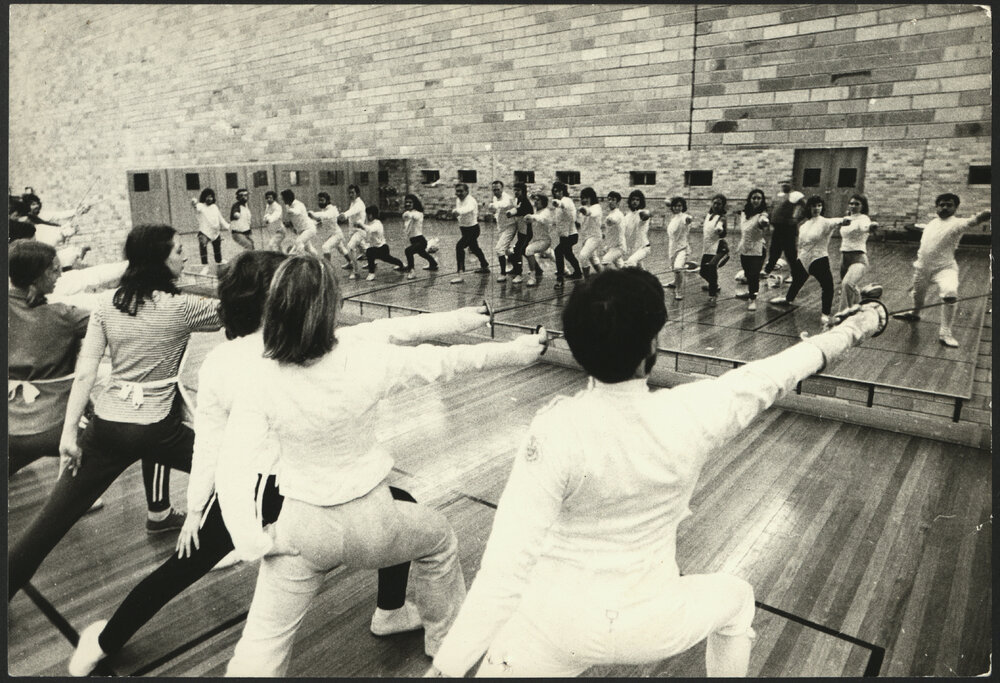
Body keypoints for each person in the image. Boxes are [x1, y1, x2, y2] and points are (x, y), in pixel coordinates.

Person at [426, 268, 888, 678]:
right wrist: (862, 324)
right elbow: (780, 372)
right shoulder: (696, 410)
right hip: (652, 622)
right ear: (652, 345)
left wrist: (445, 671)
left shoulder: (555, 428)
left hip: (555, 626)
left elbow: (503, 574)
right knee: (737, 598)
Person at [66, 251, 422, 676]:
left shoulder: (229, 358)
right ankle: (390, 610)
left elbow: (211, 446)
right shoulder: (306, 347)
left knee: (182, 567)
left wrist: (197, 509)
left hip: (261, 490)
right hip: (290, 488)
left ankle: (105, 640)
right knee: (400, 507)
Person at [212, 255, 547, 676]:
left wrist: (251, 543)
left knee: (260, 644)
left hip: (300, 528)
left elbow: (232, 467)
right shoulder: (365, 360)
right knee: (439, 540)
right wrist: (521, 351)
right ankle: (444, 645)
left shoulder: (260, 378)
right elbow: (449, 362)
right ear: (329, 308)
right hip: (373, 521)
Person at [8, 224, 221, 601]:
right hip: (158, 430)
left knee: (49, 523)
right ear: (158, 260)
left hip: (105, 427)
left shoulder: (107, 306)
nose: (185, 256)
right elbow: (234, 311)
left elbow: (86, 375)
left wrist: (70, 435)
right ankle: (226, 541)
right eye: (177, 252)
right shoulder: (184, 307)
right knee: (238, 472)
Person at [892, 193, 991, 347]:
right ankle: (915, 314)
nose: (945, 207)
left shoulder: (958, 223)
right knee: (918, 297)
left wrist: (985, 214)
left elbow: (974, 221)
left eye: (949, 205)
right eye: (942, 204)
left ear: (955, 207)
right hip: (922, 268)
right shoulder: (932, 223)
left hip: (945, 269)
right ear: (936, 207)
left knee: (950, 292)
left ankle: (945, 332)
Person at [768, 195, 851, 329]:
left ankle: (825, 313)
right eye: (814, 206)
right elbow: (801, 244)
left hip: (819, 259)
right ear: (809, 208)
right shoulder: (804, 225)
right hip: (803, 259)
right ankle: (788, 299)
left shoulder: (825, 222)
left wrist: (845, 219)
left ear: (822, 207)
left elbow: (837, 221)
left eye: (819, 205)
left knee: (827, 286)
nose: (816, 208)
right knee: (797, 281)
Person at [838, 194, 878, 311]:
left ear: (862, 206)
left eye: (857, 204)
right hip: (844, 259)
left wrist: (872, 227)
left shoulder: (864, 219)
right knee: (850, 287)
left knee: (847, 284)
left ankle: (842, 316)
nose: (853, 206)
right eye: (851, 203)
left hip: (858, 259)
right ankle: (859, 311)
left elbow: (865, 227)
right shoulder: (847, 218)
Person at [762, 186, 805, 289]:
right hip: (778, 228)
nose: (785, 184)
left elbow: (804, 207)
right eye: (783, 183)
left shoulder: (796, 196)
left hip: (788, 228)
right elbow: (772, 209)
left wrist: (797, 218)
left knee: (790, 253)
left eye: (787, 183)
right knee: (774, 250)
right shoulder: (778, 196)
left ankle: (796, 274)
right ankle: (767, 270)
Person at [735, 189, 770, 311]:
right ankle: (750, 292)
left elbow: (764, 221)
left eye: (759, 198)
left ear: (762, 200)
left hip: (758, 250)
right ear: (750, 199)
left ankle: (753, 299)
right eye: (754, 198)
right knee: (748, 274)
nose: (756, 200)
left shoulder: (762, 215)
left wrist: (765, 222)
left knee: (754, 274)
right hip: (745, 248)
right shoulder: (744, 214)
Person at [312, 192, 361, 277]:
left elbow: (325, 216)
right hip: (332, 234)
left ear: (327, 201)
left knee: (325, 247)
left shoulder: (332, 210)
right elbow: (319, 220)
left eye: (322, 200)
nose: (320, 202)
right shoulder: (324, 209)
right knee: (341, 249)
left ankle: (328, 269)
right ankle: (350, 262)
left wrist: (313, 214)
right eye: (319, 200)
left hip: (336, 235)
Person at [450, 182, 490, 284]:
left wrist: (457, 211)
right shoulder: (458, 200)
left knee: (459, 246)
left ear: (467, 191)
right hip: (464, 229)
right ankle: (485, 265)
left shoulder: (471, 201)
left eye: (461, 191)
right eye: (457, 191)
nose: (459, 193)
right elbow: (460, 213)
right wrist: (458, 216)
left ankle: (460, 274)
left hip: (473, 229)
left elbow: (468, 209)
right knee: (474, 248)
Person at [549, 181, 582, 289]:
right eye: (555, 192)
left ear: (563, 191)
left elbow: (564, 205)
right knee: (568, 254)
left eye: (559, 191)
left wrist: (558, 203)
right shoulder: (558, 203)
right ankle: (578, 272)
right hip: (564, 235)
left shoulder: (566, 200)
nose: (557, 194)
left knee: (558, 251)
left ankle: (560, 279)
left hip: (571, 235)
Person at [698, 194, 729, 305]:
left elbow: (723, 232)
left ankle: (713, 295)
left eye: (719, 204)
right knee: (702, 271)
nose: (716, 205)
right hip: (708, 248)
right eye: (714, 203)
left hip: (720, 248)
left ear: (722, 206)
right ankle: (714, 285)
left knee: (711, 267)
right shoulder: (708, 215)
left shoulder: (722, 218)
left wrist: (720, 230)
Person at [362, 205, 404, 281]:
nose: (367, 216)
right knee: (385, 257)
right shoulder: (371, 223)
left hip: (382, 248)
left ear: (372, 215)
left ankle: (371, 273)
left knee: (372, 252)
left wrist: (360, 225)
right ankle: (401, 264)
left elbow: (370, 229)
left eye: (368, 214)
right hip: (377, 247)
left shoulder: (377, 224)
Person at [191, 188, 230, 271]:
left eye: (211, 197)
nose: (209, 199)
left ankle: (219, 261)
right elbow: (196, 207)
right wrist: (194, 203)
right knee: (203, 247)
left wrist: (228, 226)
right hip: (204, 232)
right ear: (204, 197)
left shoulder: (215, 207)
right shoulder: (201, 206)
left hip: (215, 232)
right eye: (207, 197)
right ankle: (205, 265)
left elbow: (220, 218)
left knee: (217, 248)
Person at [506, 182, 537, 285]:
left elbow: (520, 210)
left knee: (518, 250)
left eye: (518, 190)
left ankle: (519, 274)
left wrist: (511, 213)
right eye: (514, 190)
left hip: (527, 232)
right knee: (523, 251)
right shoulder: (518, 200)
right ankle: (538, 269)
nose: (516, 192)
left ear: (523, 191)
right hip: (521, 231)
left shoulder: (526, 203)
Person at [401, 193, 438, 279]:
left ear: (415, 203)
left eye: (410, 202)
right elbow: (405, 216)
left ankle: (412, 271)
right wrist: (407, 214)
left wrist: (409, 214)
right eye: (406, 202)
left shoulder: (419, 213)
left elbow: (415, 217)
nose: (408, 204)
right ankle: (433, 263)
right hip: (413, 240)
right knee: (422, 253)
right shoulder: (407, 213)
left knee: (408, 251)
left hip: (420, 240)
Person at [523, 193, 555, 288]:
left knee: (528, 250)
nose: (536, 202)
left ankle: (532, 278)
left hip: (544, 241)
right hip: (536, 240)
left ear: (543, 202)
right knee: (550, 254)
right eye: (535, 200)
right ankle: (565, 270)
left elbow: (541, 218)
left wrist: (532, 217)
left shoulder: (546, 212)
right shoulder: (536, 211)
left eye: (538, 200)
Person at [664, 196, 692, 299]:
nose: (677, 208)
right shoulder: (673, 218)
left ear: (683, 206)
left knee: (678, 268)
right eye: (675, 206)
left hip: (682, 248)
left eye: (679, 206)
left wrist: (689, 219)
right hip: (672, 247)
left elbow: (688, 219)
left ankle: (679, 291)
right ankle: (675, 282)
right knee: (674, 268)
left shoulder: (684, 216)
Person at [488, 181, 517, 282]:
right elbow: (496, 211)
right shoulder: (495, 198)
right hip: (501, 227)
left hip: (510, 226)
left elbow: (504, 204)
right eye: (494, 190)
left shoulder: (507, 198)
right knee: (508, 250)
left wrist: (494, 205)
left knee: (499, 249)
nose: (496, 192)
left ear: (502, 189)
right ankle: (531, 268)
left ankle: (503, 273)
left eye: (498, 189)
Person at [576, 186, 604, 278]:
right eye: (582, 198)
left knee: (583, 256)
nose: (584, 200)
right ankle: (604, 278)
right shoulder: (583, 210)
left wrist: (583, 210)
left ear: (591, 198)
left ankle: (587, 280)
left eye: (586, 198)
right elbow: (579, 223)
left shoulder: (596, 207)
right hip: (586, 238)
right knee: (593, 259)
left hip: (595, 237)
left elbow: (590, 213)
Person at [279, 189, 318, 255]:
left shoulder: (298, 204)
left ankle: (300, 261)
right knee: (309, 249)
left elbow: (297, 211)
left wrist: (291, 211)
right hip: (301, 231)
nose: (283, 200)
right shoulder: (288, 206)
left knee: (298, 242)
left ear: (288, 198)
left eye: (283, 199)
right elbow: (292, 219)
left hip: (309, 229)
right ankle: (319, 264)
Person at [622, 190, 652, 271]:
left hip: (644, 247)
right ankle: (648, 282)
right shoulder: (627, 216)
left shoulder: (641, 213)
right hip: (633, 249)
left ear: (641, 201)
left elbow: (646, 214)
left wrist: (647, 214)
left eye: (637, 200)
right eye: (633, 199)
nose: (635, 202)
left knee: (630, 262)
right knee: (641, 271)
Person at [600, 191, 627, 269]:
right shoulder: (611, 213)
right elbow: (610, 230)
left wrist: (609, 220)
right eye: (609, 199)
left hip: (619, 247)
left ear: (618, 202)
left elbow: (614, 220)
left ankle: (611, 280)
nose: (610, 202)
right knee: (621, 266)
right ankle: (629, 277)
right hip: (612, 246)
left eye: (613, 200)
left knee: (605, 260)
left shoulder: (618, 214)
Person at [342, 184, 368, 264]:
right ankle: (372, 262)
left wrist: (344, 215)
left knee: (350, 247)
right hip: (353, 231)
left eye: (352, 193)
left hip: (360, 231)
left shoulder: (359, 204)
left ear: (357, 193)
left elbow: (352, 211)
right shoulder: (353, 202)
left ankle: (355, 270)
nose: (350, 195)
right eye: (349, 193)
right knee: (364, 249)